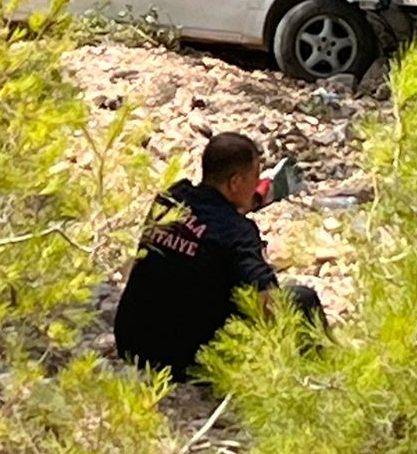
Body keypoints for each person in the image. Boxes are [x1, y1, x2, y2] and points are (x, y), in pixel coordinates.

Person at [113, 131, 325, 383]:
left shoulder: (170, 199)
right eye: (255, 177)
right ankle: (318, 380)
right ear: (235, 182)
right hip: (186, 359)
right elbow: (269, 305)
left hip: (133, 342)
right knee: (302, 299)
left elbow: (205, 225)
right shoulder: (238, 233)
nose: (258, 183)